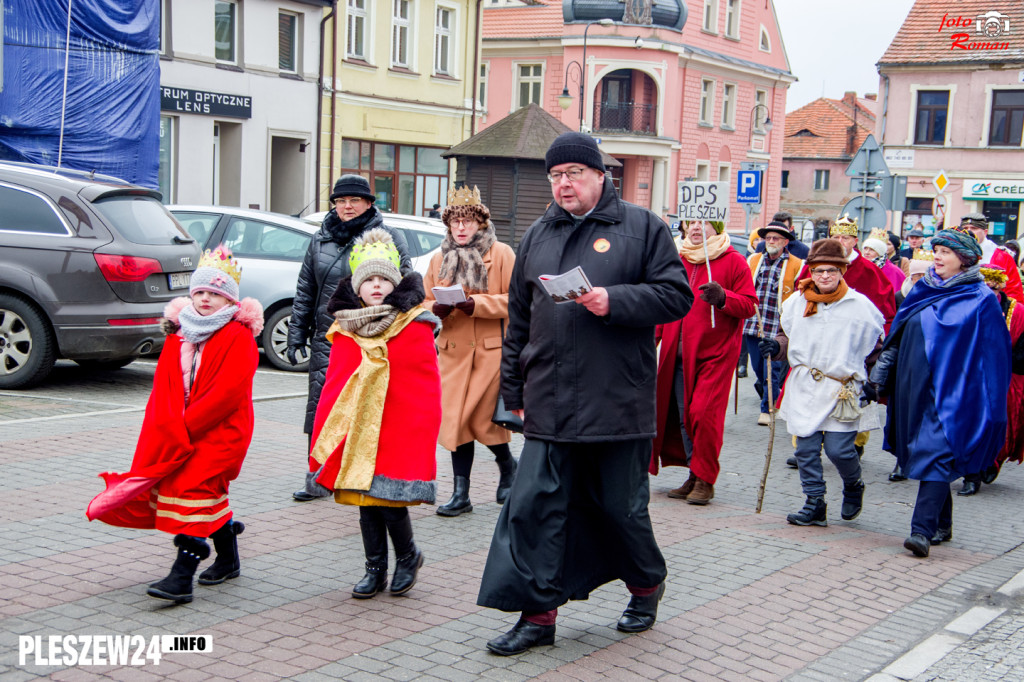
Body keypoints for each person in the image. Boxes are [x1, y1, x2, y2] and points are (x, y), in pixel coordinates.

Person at [477, 131, 693, 655]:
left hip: (617, 402)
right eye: (555, 176)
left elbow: (676, 295)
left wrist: (612, 300)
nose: (563, 184)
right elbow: (520, 322)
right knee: (534, 507)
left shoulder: (641, 228)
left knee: (619, 509)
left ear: (600, 175)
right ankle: (538, 616)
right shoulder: (537, 235)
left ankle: (646, 585)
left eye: (573, 173)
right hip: (550, 400)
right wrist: (513, 393)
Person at [86, 246, 264, 604]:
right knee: (202, 494)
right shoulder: (178, 332)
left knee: (192, 491)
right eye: (199, 292)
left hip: (220, 432)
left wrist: (185, 428)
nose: (205, 299)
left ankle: (182, 577)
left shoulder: (237, 336)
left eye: (215, 293)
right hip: (180, 429)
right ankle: (228, 557)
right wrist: (165, 428)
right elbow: (165, 387)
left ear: (228, 298)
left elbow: (226, 394)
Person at [309, 229, 442, 598]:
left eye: (385, 278)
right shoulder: (346, 329)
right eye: (370, 280)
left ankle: (408, 556)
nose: (378, 286)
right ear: (357, 286)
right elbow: (335, 385)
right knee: (365, 503)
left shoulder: (414, 325)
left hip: (396, 427)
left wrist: (419, 428)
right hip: (358, 431)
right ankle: (374, 569)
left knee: (389, 500)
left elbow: (423, 385)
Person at [873, 227, 1010, 557]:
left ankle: (920, 531)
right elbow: (900, 333)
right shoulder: (924, 289)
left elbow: (995, 357)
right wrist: (881, 372)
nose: (936, 257)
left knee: (934, 453)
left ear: (964, 260)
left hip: (955, 395)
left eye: (945, 252)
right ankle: (942, 523)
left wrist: (990, 404)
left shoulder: (982, 300)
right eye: (936, 250)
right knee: (924, 454)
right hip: (913, 389)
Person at [288, 175, 412, 502]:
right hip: (330, 335)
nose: (346, 206)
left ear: (369, 204)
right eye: (340, 201)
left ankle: (361, 473)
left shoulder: (389, 238)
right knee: (321, 405)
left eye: (354, 200)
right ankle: (316, 476)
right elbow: (305, 291)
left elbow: (408, 287)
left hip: (372, 335)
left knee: (366, 408)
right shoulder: (320, 240)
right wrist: (296, 333)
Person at [759, 239, 884, 526]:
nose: (824, 276)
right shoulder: (796, 302)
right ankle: (814, 502)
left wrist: (874, 381)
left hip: (842, 388)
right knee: (805, 450)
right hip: (806, 385)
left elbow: (876, 347)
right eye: (818, 270)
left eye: (831, 270)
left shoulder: (859, 305)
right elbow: (786, 337)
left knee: (839, 450)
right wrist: (774, 347)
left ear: (842, 271)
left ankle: (853, 485)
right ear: (811, 271)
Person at [423, 185, 517, 516]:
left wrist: (474, 303)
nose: (461, 227)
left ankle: (508, 468)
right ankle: (460, 494)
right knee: (455, 423)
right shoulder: (438, 258)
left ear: (480, 223)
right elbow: (424, 299)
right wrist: (437, 308)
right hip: (452, 353)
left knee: (483, 422)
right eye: (455, 222)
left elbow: (516, 300)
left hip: (492, 354)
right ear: (448, 226)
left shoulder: (502, 254)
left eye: (468, 221)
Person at [651, 219, 757, 504]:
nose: (696, 228)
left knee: (703, 414)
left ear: (717, 227)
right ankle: (694, 473)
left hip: (715, 355)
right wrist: (654, 337)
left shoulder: (734, 261)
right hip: (677, 354)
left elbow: (749, 305)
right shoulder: (678, 260)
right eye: (691, 223)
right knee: (683, 417)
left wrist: (724, 298)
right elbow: (665, 301)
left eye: (703, 222)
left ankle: (706, 480)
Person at [958, 264, 1024, 495]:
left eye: (992, 288)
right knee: (969, 425)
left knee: (997, 425)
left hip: (1002, 379)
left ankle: (991, 461)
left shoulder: (1018, 314)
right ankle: (971, 475)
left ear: (999, 288)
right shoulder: (965, 307)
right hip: (968, 378)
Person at [742, 220, 804, 426]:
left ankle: (768, 408)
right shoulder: (754, 259)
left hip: (778, 324)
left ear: (785, 241)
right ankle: (773, 395)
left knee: (773, 368)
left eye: (775, 238)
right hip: (754, 321)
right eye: (767, 238)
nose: (770, 241)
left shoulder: (796, 264)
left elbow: (799, 293)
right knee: (758, 368)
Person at [960, 213, 1024, 303]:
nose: (969, 232)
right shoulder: (953, 252)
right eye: (965, 228)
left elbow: (1013, 292)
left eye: (974, 228)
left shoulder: (1001, 256)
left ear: (985, 232)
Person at [861, 229, 906, 293]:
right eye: (865, 248)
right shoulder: (858, 267)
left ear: (880, 252)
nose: (867, 252)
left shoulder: (894, 271)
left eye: (872, 250)